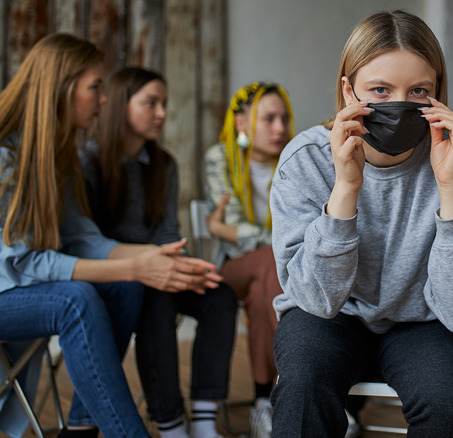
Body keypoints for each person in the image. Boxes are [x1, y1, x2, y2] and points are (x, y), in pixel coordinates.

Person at [268, 10, 453, 437]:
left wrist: (450, 188)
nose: (400, 104)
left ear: (438, 96)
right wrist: (344, 189)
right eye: (380, 90)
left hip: (428, 322)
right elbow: (316, 299)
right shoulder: (304, 160)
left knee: (452, 401)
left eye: (419, 91)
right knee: (302, 383)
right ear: (347, 91)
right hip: (330, 317)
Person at [0, 33, 222, 438]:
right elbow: (23, 261)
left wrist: (153, 260)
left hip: (19, 288)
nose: (104, 99)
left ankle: (82, 429)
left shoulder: (57, 157)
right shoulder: (5, 157)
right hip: (6, 289)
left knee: (127, 287)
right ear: (62, 89)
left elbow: (82, 237)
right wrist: (137, 265)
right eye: (95, 87)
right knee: (77, 300)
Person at [80, 66, 237, 438]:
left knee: (220, 294)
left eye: (164, 104)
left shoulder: (164, 165)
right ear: (120, 105)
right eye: (151, 103)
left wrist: (178, 265)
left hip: (160, 265)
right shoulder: (87, 161)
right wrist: (150, 263)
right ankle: (170, 423)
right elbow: (85, 240)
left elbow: (169, 231)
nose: (162, 113)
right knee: (156, 298)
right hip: (114, 276)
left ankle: (203, 418)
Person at [203, 81, 294, 435]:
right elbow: (236, 235)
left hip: (274, 272)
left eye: (283, 118)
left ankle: (262, 403)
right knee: (268, 262)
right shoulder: (220, 158)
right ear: (241, 123)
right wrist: (229, 232)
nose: (280, 128)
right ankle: (305, 385)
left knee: (262, 292)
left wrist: (229, 230)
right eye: (268, 118)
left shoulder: (294, 157)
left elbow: (234, 228)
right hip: (231, 267)